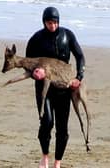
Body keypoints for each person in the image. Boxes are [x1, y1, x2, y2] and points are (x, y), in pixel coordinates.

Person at [26, 6, 85, 168]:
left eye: (55, 22)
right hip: (44, 88)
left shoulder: (67, 35)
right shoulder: (36, 39)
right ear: (44, 22)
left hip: (63, 89)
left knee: (62, 128)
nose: (52, 25)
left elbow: (80, 57)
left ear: (58, 22)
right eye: (49, 22)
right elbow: (28, 64)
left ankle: (57, 162)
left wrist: (78, 77)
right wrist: (34, 73)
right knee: (47, 123)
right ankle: (45, 156)